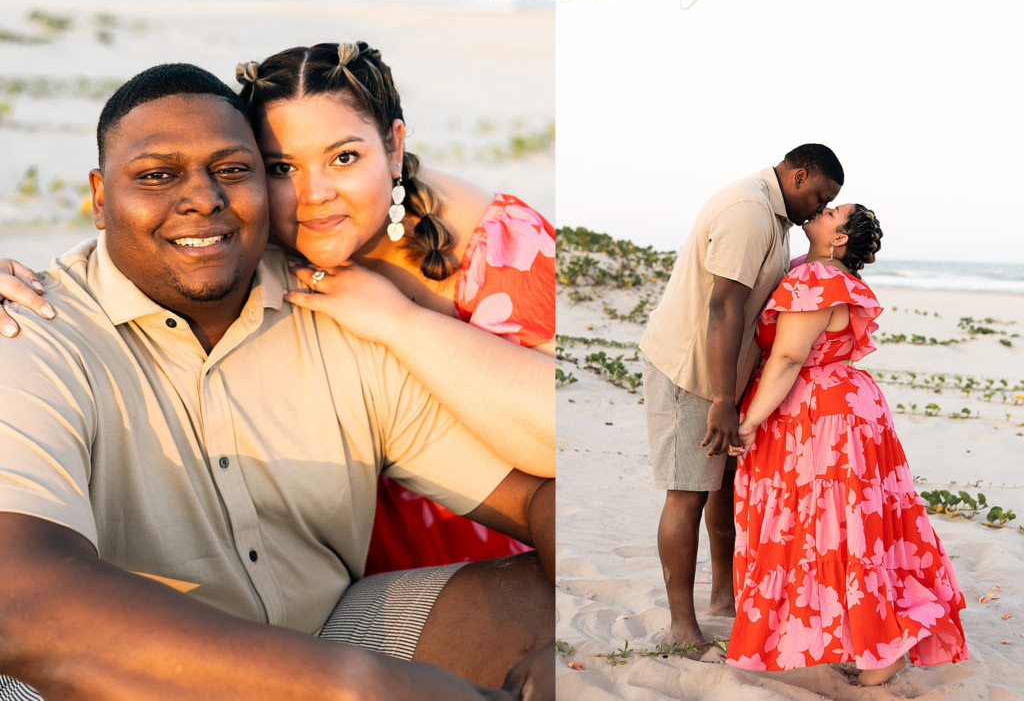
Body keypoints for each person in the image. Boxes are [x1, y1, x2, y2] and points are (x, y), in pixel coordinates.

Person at [0, 65, 553, 701]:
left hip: (327, 630)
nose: (202, 199)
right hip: (127, 668)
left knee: (545, 606)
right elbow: (21, 598)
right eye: (157, 175)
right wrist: (354, 684)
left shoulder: (334, 312)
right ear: (100, 198)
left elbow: (536, 496)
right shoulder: (32, 332)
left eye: (232, 170)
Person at [726, 204, 968, 686]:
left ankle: (881, 649)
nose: (823, 209)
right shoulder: (818, 274)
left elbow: (791, 355)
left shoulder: (815, 277)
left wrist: (750, 421)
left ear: (838, 239)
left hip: (819, 413)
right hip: (850, 407)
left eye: (835, 210)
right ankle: (872, 641)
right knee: (856, 524)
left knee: (831, 526)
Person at [638, 144, 843, 651]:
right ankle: (682, 629)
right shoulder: (749, 212)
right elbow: (724, 307)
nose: (819, 209)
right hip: (692, 374)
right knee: (686, 494)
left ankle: (723, 598)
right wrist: (723, 399)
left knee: (721, 486)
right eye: (820, 196)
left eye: (829, 205)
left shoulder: (777, 216)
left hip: (722, 377)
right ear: (798, 176)